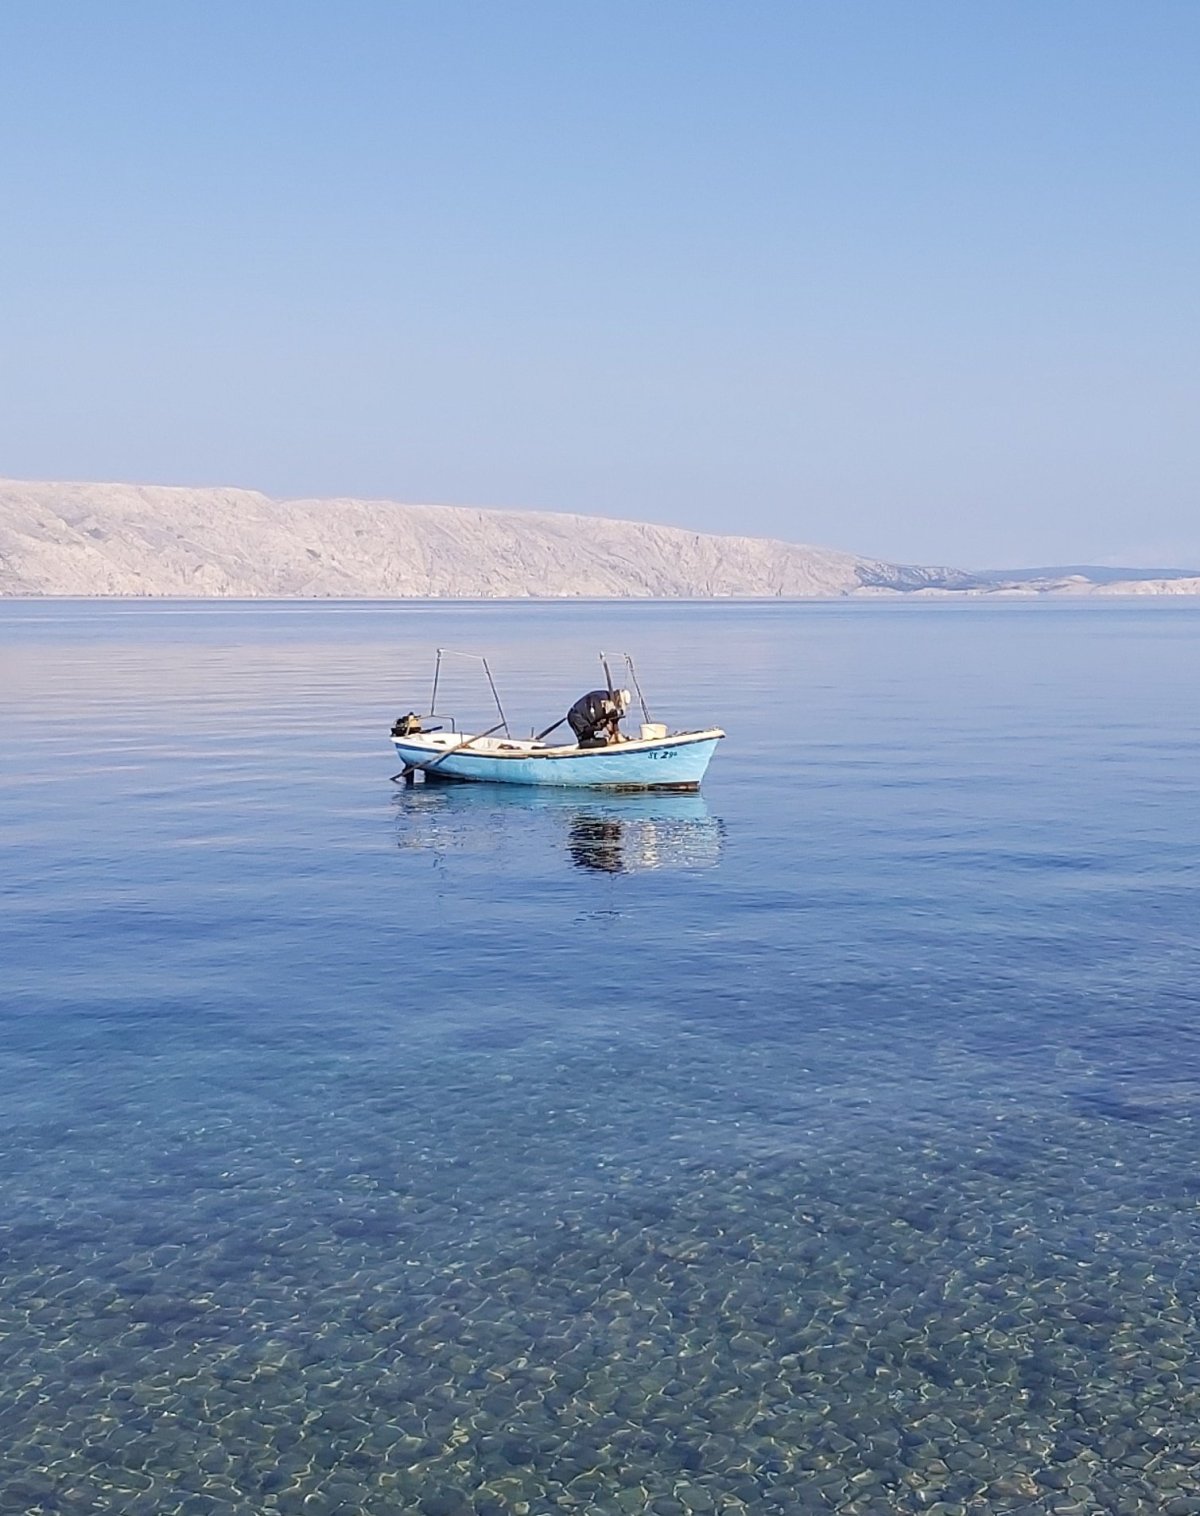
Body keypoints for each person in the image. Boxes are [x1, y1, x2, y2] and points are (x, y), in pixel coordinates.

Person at [567, 688, 631, 747]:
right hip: (577, 717)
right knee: (586, 741)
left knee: (597, 739)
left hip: (582, 715)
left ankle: (607, 739)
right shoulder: (603, 701)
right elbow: (596, 720)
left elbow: (611, 718)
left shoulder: (607, 697)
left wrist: (616, 732)